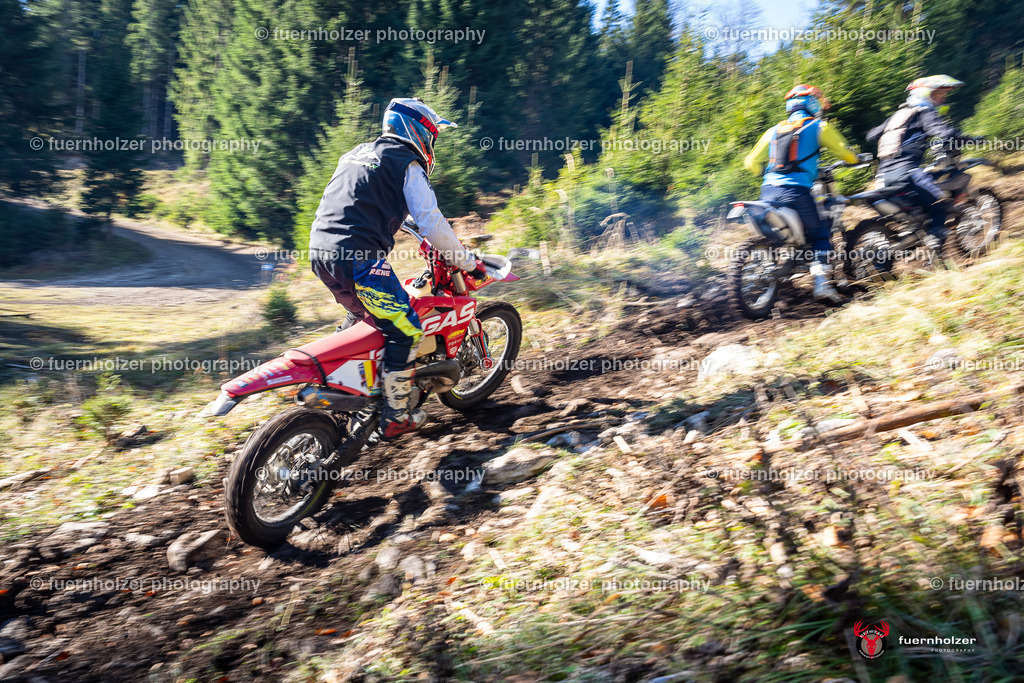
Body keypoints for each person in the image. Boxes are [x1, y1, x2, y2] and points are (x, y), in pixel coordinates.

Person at [308, 97, 486, 439]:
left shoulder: (358, 153)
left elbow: (357, 201)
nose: (432, 145)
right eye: (432, 136)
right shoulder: (407, 164)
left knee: (365, 319)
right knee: (405, 329)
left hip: (320, 250)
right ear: (419, 133)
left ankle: (342, 385)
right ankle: (396, 414)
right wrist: (464, 258)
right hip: (359, 258)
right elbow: (432, 222)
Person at [743, 84, 861, 303]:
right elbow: (847, 154)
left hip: (767, 192)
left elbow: (749, 162)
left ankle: (786, 263)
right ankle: (822, 287)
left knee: (778, 234)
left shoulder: (773, 130)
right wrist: (854, 159)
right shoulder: (819, 126)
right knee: (820, 234)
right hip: (797, 193)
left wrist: (767, 175)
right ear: (812, 103)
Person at [866, 75, 972, 253]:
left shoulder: (899, 114)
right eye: (938, 95)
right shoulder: (924, 112)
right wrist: (967, 138)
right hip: (908, 172)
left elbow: (872, 135)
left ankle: (913, 232)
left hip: (883, 177)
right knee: (940, 201)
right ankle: (935, 242)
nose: (942, 99)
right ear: (926, 95)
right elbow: (942, 131)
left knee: (919, 206)